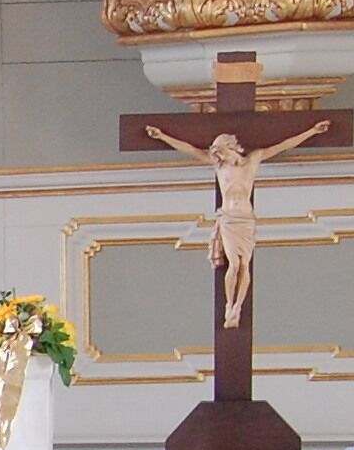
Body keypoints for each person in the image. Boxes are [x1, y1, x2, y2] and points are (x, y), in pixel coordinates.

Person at [142, 119, 334, 327]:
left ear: (230, 147)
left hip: (246, 219)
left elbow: (284, 145)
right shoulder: (219, 165)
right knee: (234, 264)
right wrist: (161, 136)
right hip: (229, 219)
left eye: (219, 150)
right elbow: (189, 149)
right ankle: (229, 305)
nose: (216, 154)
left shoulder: (254, 159)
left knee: (244, 265)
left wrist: (312, 131)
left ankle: (237, 307)